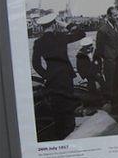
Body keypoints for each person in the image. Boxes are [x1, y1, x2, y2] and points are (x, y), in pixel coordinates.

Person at [32, 12, 85, 140]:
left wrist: (45, 76)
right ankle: (70, 131)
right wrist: (66, 24)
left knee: (57, 107)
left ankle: (60, 134)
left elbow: (36, 64)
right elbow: (81, 34)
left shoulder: (38, 42)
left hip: (52, 78)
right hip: (65, 76)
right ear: (54, 24)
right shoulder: (61, 37)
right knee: (68, 105)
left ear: (42, 27)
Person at [95, 7, 118, 114]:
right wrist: (108, 57)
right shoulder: (103, 30)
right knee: (112, 85)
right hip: (111, 62)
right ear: (108, 16)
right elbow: (99, 49)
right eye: (114, 15)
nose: (117, 17)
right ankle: (115, 108)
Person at [76, 37, 105, 106]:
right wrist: (88, 76)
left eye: (90, 46)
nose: (89, 48)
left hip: (97, 73)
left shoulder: (96, 52)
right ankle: (94, 102)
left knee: (102, 84)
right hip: (89, 75)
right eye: (86, 47)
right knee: (92, 86)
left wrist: (99, 71)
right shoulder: (80, 56)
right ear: (83, 47)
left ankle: (104, 99)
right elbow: (81, 68)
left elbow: (99, 63)